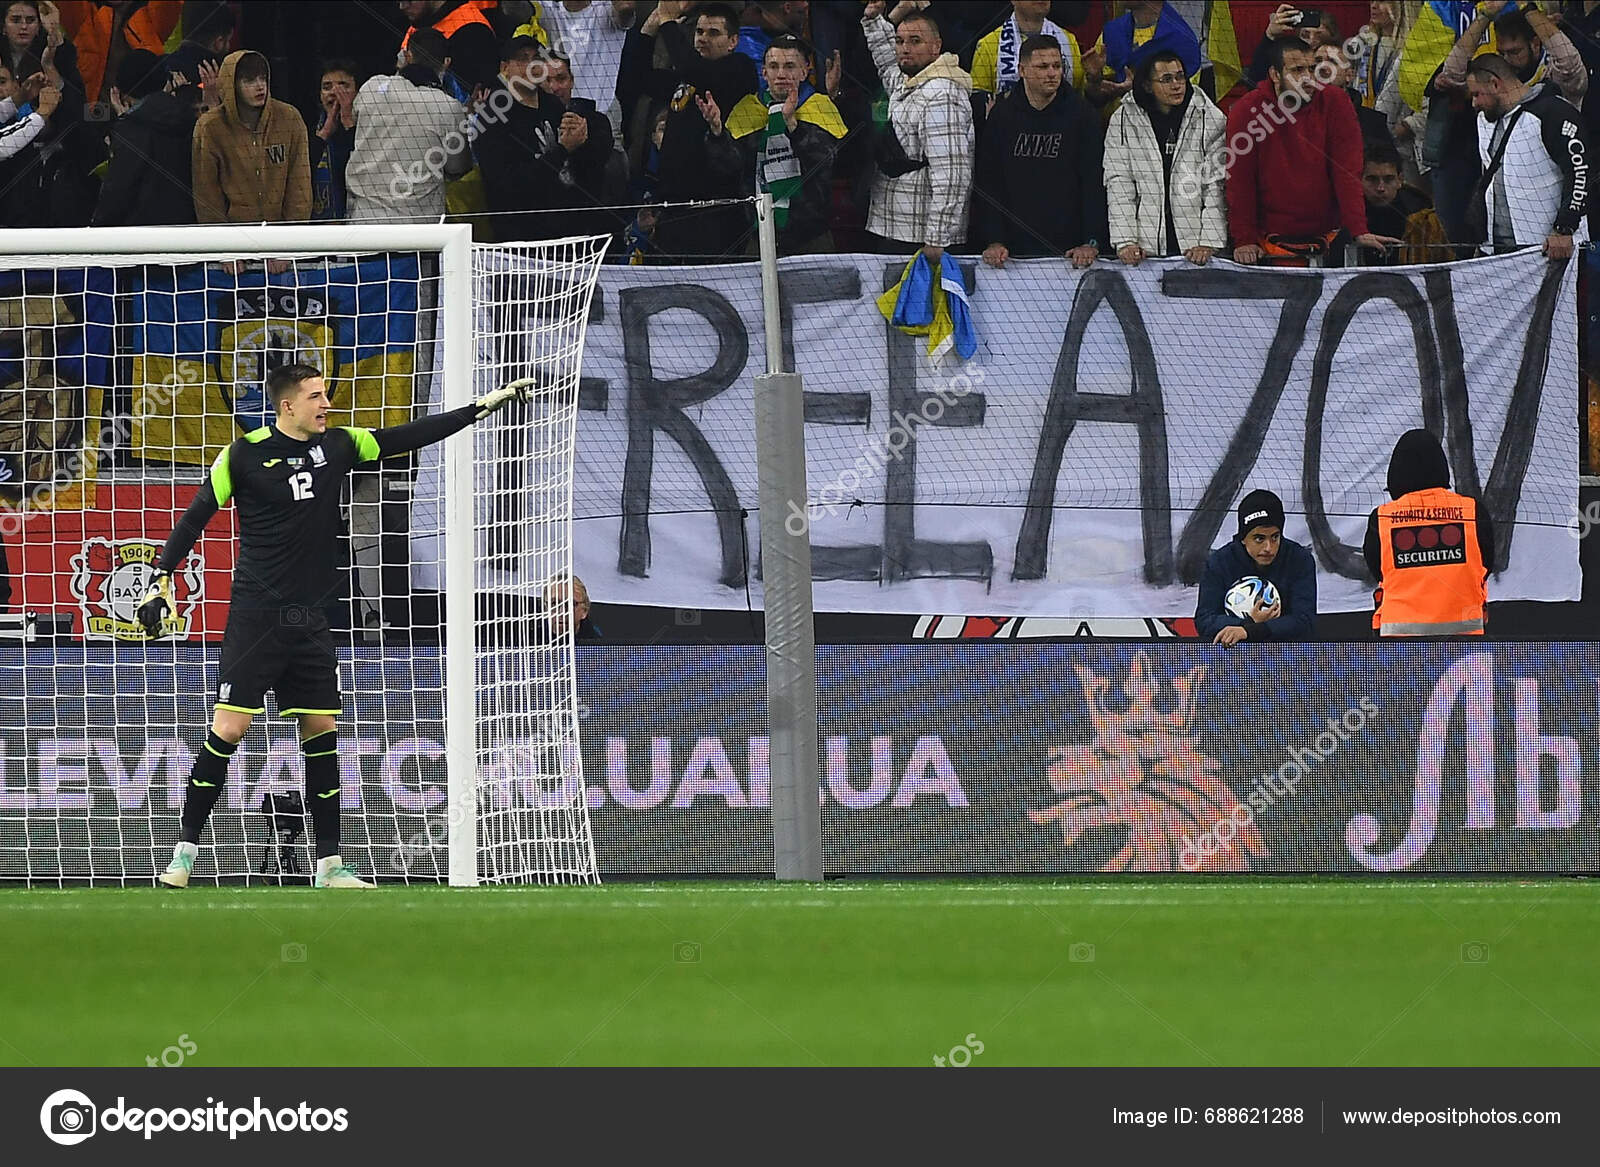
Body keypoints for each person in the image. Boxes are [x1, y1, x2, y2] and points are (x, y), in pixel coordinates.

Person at [140, 363, 540, 890]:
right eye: (315, 397)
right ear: (287, 405)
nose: (325, 404)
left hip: (310, 619)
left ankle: (330, 864)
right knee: (230, 729)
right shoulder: (242, 454)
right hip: (257, 617)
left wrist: (476, 409)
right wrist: (158, 580)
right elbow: (194, 518)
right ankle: (184, 854)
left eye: (324, 395)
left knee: (322, 732)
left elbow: (405, 436)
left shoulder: (341, 445)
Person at [1226, 37, 1397, 266]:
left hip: (1328, 238)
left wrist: (1358, 229)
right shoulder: (1247, 110)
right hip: (1269, 243)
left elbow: (1347, 171)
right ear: (1275, 75)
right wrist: (1244, 239)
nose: (1308, 77)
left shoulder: (1336, 102)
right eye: (1297, 70)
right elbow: (1240, 182)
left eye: (1312, 68)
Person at [704, 33, 845, 255]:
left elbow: (826, 161)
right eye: (774, 66)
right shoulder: (747, 109)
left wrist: (792, 125)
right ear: (764, 72)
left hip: (812, 239)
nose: (781, 74)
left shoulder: (820, 106)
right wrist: (717, 132)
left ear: (804, 70)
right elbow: (728, 167)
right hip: (759, 235)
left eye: (790, 66)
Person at [974, 33, 1102, 268]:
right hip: (1012, 251)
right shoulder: (1002, 116)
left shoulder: (1083, 116)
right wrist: (994, 239)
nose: (1052, 73)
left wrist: (1091, 241)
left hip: (1070, 251)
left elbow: (1093, 184)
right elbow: (989, 183)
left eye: (1057, 66)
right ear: (1022, 70)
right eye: (1043, 67)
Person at [860, 1, 973, 263]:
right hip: (899, 228)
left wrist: (937, 237)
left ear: (936, 46)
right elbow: (888, 65)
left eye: (915, 41)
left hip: (921, 239)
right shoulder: (913, 82)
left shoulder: (942, 94)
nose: (904, 48)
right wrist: (874, 20)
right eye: (899, 41)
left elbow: (952, 172)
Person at [477, 38, 613, 243]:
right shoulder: (491, 120)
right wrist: (563, 149)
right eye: (523, 59)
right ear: (505, 68)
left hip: (572, 235)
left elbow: (590, 166)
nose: (533, 65)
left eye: (537, 59)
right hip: (522, 240)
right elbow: (509, 184)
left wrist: (584, 142)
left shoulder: (556, 108)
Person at [1363, 428, 1493, 638]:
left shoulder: (1382, 518)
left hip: (1400, 642)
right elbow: (1487, 563)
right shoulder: (1473, 511)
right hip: (1467, 638)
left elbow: (1377, 569)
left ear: (1396, 474)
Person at [1103, 48, 1225, 266]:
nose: (1177, 84)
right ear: (1148, 85)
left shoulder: (1210, 116)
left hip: (1196, 247)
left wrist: (1209, 242)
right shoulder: (1122, 119)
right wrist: (1125, 241)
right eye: (1166, 79)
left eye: (1180, 76)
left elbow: (1215, 185)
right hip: (1144, 249)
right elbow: (1119, 183)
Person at [1465, 51, 1589, 258]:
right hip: (1495, 253)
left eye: (1477, 94)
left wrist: (1564, 228)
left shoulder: (1553, 112)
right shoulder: (1483, 121)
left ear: (1495, 84)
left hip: (1549, 250)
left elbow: (1580, 173)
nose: (1474, 103)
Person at [343, 27, 468, 224]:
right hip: (417, 232)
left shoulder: (373, 87)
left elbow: (354, 121)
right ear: (446, 63)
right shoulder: (448, 107)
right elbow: (458, 167)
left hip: (364, 226)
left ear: (407, 56)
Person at [190, 49, 310, 224]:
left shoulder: (289, 119)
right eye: (249, 81)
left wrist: (292, 235)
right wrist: (220, 242)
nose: (260, 86)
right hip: (232, 240)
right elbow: (207, 193)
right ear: (232, 85)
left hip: (285, 237)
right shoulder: (209, 127)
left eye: (262, 78)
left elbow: (300, 185)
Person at [1195, 489, 1317, 647]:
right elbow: (1205, 620)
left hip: (1286, 654)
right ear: (1243, 538)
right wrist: (1249, 621)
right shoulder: (1219, 562)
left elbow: (1304, 621)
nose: (1269, 547)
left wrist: (1251, 630)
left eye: (1275, 537)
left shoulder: (1299, 560)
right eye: (1259, 538)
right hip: (1234, 653)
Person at [91, 46, 192, 225]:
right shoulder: (190, 117)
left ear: (122, 91)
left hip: (142, 236)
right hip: (188, 228)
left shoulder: (130, 129)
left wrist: (98, 225)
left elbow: (119, 188)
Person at [971, 0, 1083, 101]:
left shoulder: (1068, 40)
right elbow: (980, 103)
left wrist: (1094, 78)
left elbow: (1081, 93)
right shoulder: (988, 45)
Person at [309, 59, 357, 221]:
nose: (334, 92)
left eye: (343, 85)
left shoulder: (368, 128)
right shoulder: (308, 127)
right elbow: (302, 169)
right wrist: (326, 132)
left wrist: (349, 124)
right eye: (327, 87)